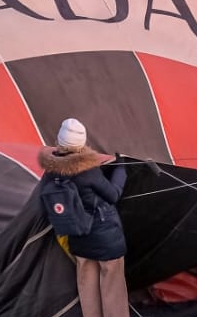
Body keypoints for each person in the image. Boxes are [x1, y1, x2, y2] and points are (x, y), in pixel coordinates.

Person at [39, 118, 129, 317]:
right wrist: (121, 167)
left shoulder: (51, 170)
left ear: (59, 141)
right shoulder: (87, 171)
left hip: (77, 234)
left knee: (86, 284)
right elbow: (113, 194)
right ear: (81, 144)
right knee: (111, 286)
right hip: (105, 237)